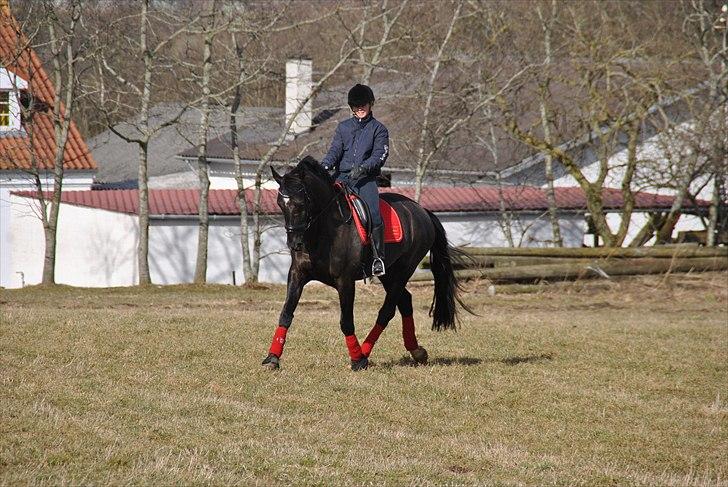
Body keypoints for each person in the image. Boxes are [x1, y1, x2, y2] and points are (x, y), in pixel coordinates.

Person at [320, 83, 389, 276]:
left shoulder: (379, 130)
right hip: (341, 177)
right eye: (357, 105)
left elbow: (379, 156)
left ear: (370, 104)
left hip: (364, 179)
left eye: (363, 104)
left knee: (374, 214)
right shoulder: (343, 128)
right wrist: (324, 166)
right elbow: (335, 151)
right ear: (351, 106)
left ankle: (378, 258)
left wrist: (364, 168)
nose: (360, 108)